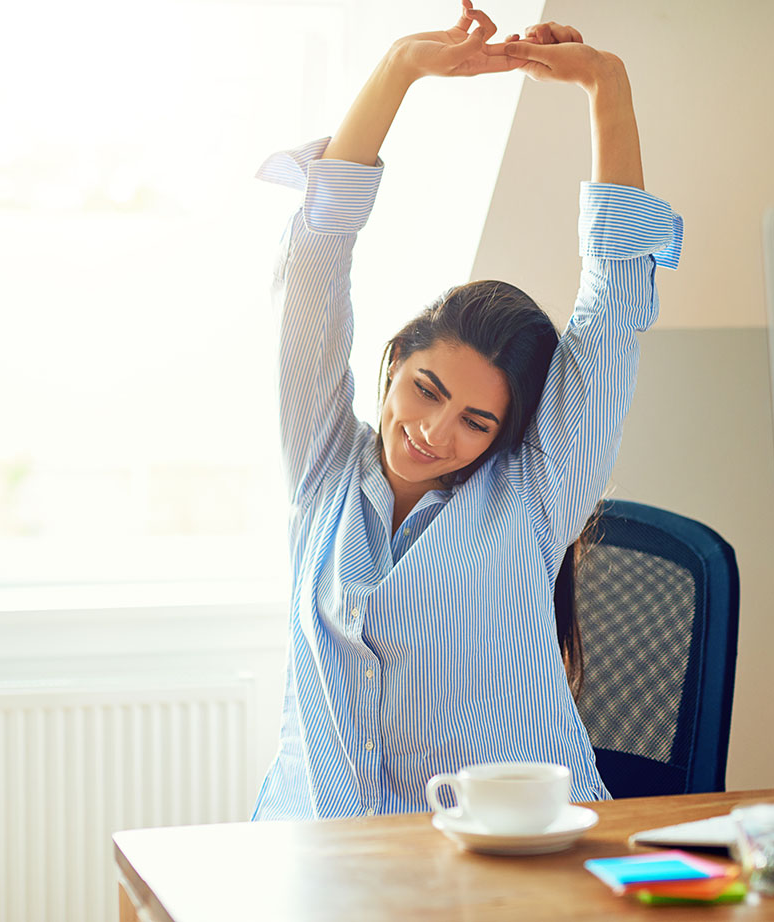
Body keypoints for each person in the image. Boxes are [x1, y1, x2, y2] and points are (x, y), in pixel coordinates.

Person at [251, 2, 682, 821]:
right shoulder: (321, 466)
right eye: (427, 389)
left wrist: (608, 89)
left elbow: (613, 307)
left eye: (477, 424)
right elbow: (315, 263)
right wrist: (398, 71)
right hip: (324, 850)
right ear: (394, 364)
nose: (434, 433)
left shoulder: (535, 493)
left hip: (512, 856)